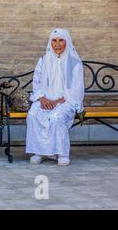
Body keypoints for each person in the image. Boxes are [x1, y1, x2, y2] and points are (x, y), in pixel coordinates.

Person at [26, 29, 84, 166]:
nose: (57, 44)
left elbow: (76, 88)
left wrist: (57, 101)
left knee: (56, 118)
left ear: (67, 41)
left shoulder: (75, 62)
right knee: (33, 114)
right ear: (50, 42)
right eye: (54, 40)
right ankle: (39, 151)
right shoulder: (44, 59)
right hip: (45, 99)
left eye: (61, 40)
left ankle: (62, 153)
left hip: (66, 101)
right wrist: (41, 98)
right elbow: (37, 82)